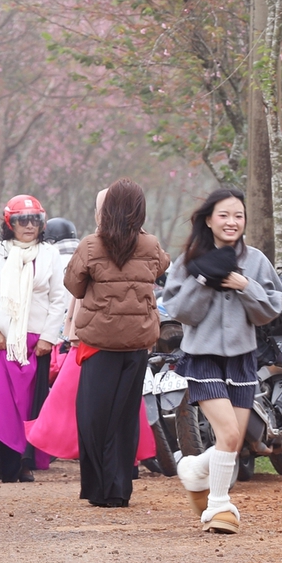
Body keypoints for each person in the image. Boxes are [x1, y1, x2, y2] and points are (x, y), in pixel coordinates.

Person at [161, 187, 282, 535]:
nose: (232, 222)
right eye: (224, 215)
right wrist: (204, 279)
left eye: (238, 216)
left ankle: (193, 469)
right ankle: (219, 507)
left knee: (233, 438)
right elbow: (181, 310)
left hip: (242, 359)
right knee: (229, 432)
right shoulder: (188, 260)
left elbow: (271, 310)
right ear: (208, 220)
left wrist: (244, 284)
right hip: (202, 357)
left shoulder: (256, 260)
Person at [62, 180, 170, 507]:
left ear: (105, 211)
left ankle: (98, 489)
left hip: (99, 343)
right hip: (137, 344)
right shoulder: (150, 245)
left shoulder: (91, 245)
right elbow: (161, 268)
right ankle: (120, 489)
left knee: (93, 416)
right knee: (124, 417)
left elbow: (74, 286)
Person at [0, 196, 74, 482]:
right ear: (9, 223)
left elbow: (58, 299)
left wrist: (48, 337)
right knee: (1, 404)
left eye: (35, 220)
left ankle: (25, 461)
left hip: (35, 342)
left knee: (30, 404)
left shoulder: (50, 254)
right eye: (21, 220)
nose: (29, 226)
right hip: (3, 340)